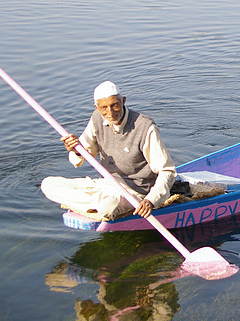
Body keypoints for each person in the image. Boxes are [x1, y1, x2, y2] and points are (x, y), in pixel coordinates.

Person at [41, 81, 177, 220]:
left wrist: (151, 201)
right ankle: (97, 203)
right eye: (104, 108)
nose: (110, 112)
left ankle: (99, 205)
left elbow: (167, 171)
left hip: (135, 192)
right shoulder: (97, 118)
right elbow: (82, 157)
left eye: (115, 105)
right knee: (48, 184)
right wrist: (76, 150)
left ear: (123, 101)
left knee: (107, 206)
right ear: (97, 107)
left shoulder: (145, 127)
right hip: (107, 184)